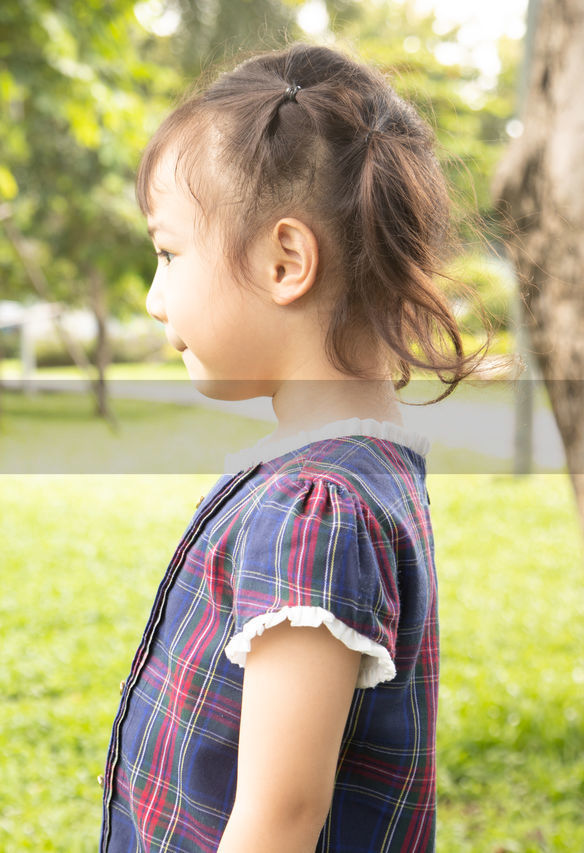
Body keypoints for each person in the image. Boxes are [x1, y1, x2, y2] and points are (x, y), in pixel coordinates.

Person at [99, 43, 493, 852]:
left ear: (286, 261)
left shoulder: (317, 509)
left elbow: (279, 817)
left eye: (169, 253)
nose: (152, 293)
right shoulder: (357, 472)